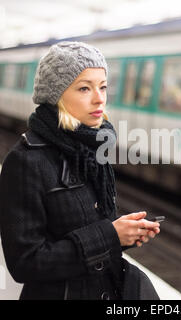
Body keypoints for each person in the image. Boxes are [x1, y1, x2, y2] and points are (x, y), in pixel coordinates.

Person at [0, 41, 160, 300]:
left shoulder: (93, 149)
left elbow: (92, 234)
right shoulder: (26, 162)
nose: (99, 98)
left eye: (103, 86)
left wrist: (124, 235)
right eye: (84, 88)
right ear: (56, 94)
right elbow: (25, 263)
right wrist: (110, 235)